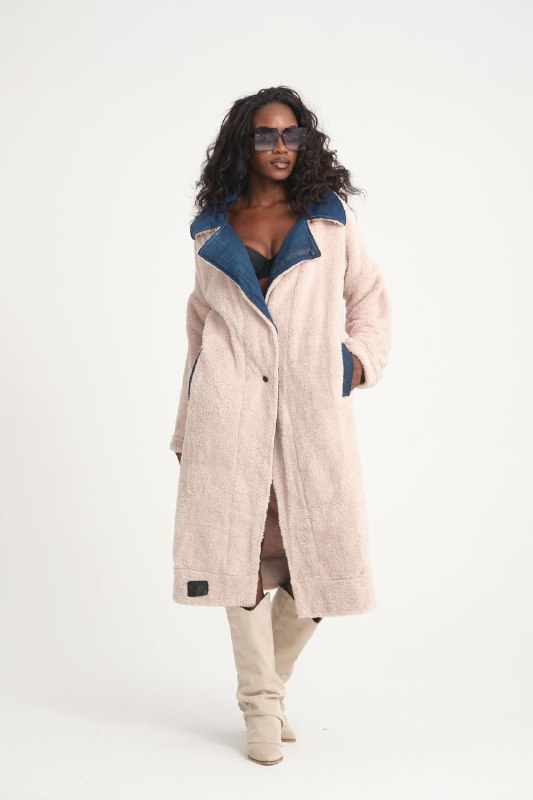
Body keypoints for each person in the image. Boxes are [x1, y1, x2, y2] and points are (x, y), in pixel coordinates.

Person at [169, 86, 392, 765]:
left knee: (323, 562)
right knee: (238, 561)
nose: (280, 147)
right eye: (265, 135)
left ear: (305, 141)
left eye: (291, 134)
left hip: (309, 416)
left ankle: (268, 689)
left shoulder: (329, 222)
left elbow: (369, 300)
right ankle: (261, 710)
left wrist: (352, 364)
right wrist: (185, 425)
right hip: (229, 414)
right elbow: (198, 331)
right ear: (244, 142)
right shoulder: (212, 229)